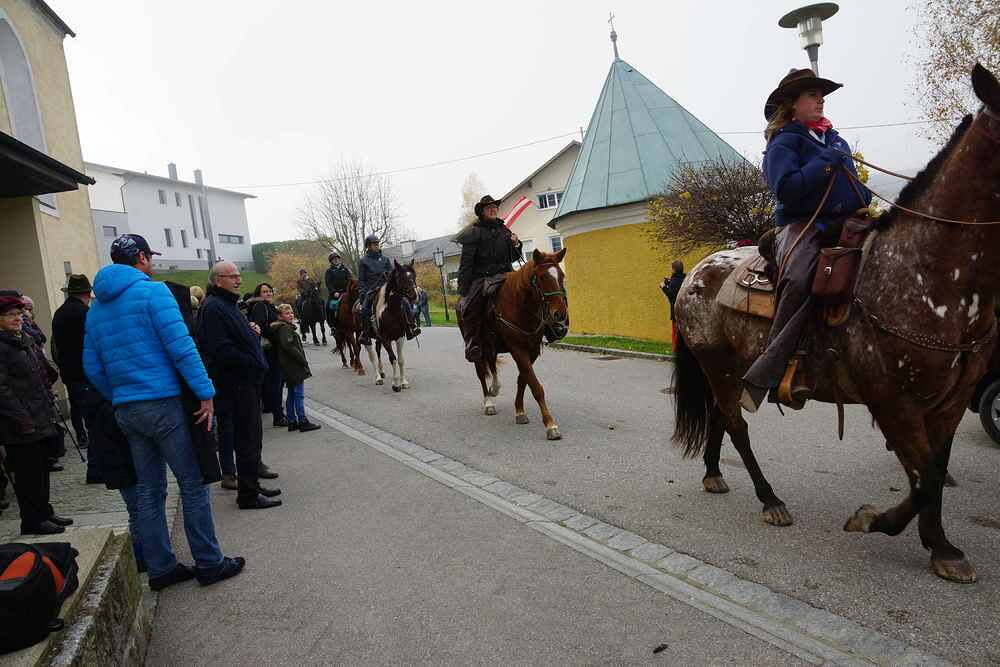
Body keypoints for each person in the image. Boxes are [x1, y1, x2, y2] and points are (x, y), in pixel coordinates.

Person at [84, 233, 244, 589]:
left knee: (149, 489)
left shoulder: (97, 308)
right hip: (164, 404)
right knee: (193, 482)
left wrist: (120, 394)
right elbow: (181, 347)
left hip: (127, 409)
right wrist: (205, 392)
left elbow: (92, 367)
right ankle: (209, 562)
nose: (152, 262)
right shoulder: (154, 293)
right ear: (141, 257)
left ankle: (160, 568)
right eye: (150, 257)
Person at [740, 69, 871, 413]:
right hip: (804, 225)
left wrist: (862, 196)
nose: (821, 99)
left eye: (821, 94)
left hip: (847, 223)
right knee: (799, 280)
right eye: (812, 94)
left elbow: (852, 185)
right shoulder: (784, 142)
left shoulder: (835, 140)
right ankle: (776, 369)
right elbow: (786, 189)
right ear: (792, 104)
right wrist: (827, 162)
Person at [197, 261, 282, 510]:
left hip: (245, 381)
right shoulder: (213, 307)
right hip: (235, 383)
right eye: (232, 276)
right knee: (246, 438)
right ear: (218, 280)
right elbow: (220, 349)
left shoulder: (226, 304)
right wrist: (252, 363)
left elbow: (234, 336)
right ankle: (248, 494)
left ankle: (251, 483)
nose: (238, 280)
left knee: (252, 437)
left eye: (238, 275)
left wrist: (249, 330)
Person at [0, 295, 72, 535]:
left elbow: (39, 374)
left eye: (19, 314)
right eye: (10, 315)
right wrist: (21, 417)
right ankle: (32, 520)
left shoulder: (23, 340)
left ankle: (45, 512)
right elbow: (2, 390)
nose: (17, 318)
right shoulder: (3, 346)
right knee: (27, 473)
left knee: (41, 468)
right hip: (19, 423)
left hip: (39, 415)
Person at [455, 195, 523, 362]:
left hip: (506, 274)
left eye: (494, 207)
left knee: (529, 289)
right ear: (482, 212)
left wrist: (516, 244)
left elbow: (513, 256)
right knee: (471, 307)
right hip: (482, 278)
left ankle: (544, 329)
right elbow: (466, 264)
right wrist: (464, 290)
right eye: (489, 208)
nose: (493, 210)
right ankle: (473, 342)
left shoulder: (504, 230)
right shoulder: (473, 233)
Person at [51, 274, 103, 484]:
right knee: (95, 422)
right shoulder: (85, 314)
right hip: (86, 373)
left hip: (70, 373)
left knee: (81, 411)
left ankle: (87, 448)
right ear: (87, 293)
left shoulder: (59, 313)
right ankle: (96, 469)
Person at [357, 235, 420, 344]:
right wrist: (363, 292)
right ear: (368, 246)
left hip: (386, 288)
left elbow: (392, 274)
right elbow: (361, 280)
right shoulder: (363, 261)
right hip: (371, 290)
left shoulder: (385, 259)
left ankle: (410, 328)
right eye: (374, 244)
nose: (377, 246)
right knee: (365, 308)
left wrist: (389, 276)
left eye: (377, 244)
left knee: (404, 302)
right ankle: (365, 334)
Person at [270, 304, 321, 433]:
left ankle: (292, 420)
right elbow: (288, 346)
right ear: (280, 316)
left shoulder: (283, 327)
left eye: (291, 313)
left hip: (288, 366)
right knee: (299, 394)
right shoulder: (285, 328)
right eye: (287, 313)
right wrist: (302, 359)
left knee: (292, 393)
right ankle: (302, 420)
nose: (291, 315)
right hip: (293, 366)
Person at [247, 283, 286, 428]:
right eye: (264, 292)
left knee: (276, 383)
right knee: (275, 383)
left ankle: (277, 412)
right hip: (269, 349)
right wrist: (278, 333)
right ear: (259, 294)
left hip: (274, 348)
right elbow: (261, 327)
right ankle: (278, 416)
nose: (268, 294)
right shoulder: (260, 306)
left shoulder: (269, 306)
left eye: (270, 291)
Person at [660, 261, 685, 349]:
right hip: (683, 309)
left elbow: (671, 294)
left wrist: (663, 287)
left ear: (674, 269)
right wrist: (669, 283)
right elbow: (676, 288)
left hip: (675, 309)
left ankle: (676, 350)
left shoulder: (675, 280)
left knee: (675, 332)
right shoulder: (684, 278)